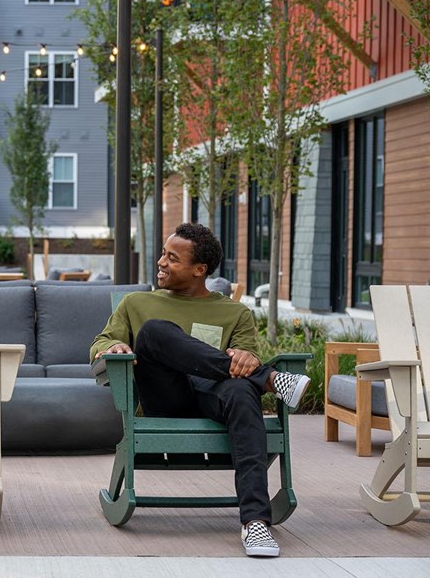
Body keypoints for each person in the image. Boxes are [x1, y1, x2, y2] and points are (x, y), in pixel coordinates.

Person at [90, 222, 311, 558]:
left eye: (172, 258)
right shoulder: (137, 303)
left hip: (216, 403)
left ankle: (255, 522)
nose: (161, 262)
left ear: (199, 270)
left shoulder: (235, 313)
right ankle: (270, 379)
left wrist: (248, 360)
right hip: (166, 399)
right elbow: (100, 343)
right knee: (153, 332)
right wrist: (114, 346)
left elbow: (243, 361)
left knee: (242, 391)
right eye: (163, 254)